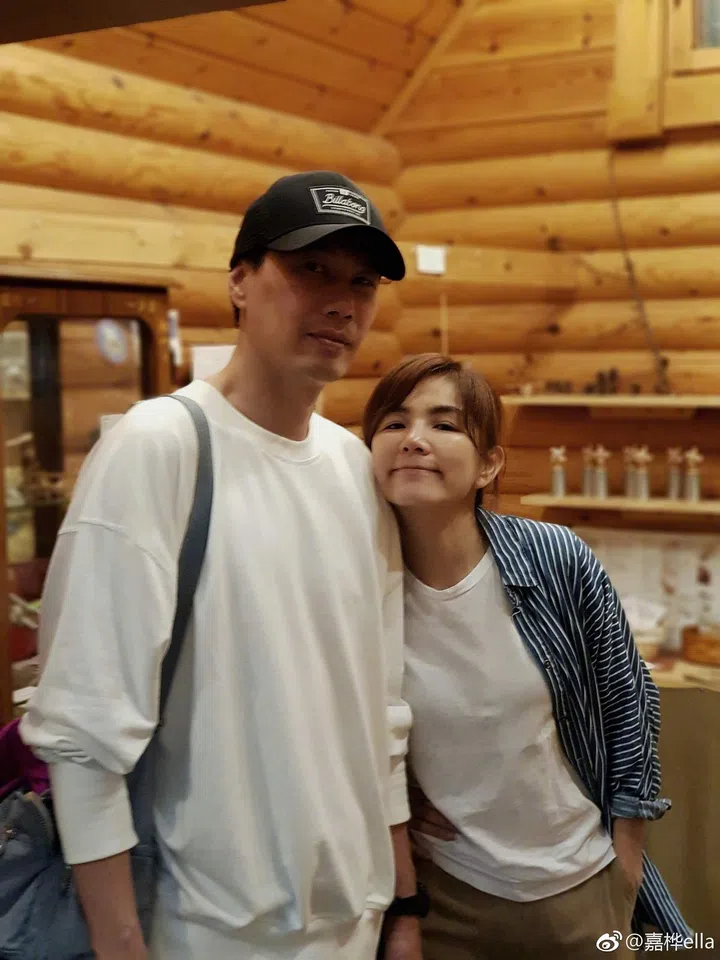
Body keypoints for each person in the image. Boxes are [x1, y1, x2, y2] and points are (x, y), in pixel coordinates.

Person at [20, 172, 425, 960]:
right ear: (240, 281)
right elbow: (83, 733)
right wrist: (121, 944)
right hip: (207, 931)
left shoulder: (353, 467)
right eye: (312, 269)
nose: (341, 303)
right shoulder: (158, 447)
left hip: (355, 919)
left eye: (362, 283)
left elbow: (381, 714)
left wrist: (401, 906)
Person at [363, 353, 691, 959]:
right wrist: (400, 794)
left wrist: (626, 861)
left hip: (580, 884)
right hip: (442, 896)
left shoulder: (554, 558)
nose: (413, 439)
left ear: (489, 464)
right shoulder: (358, 585)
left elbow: (628, 701)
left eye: (444, 424)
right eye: (394, 423)